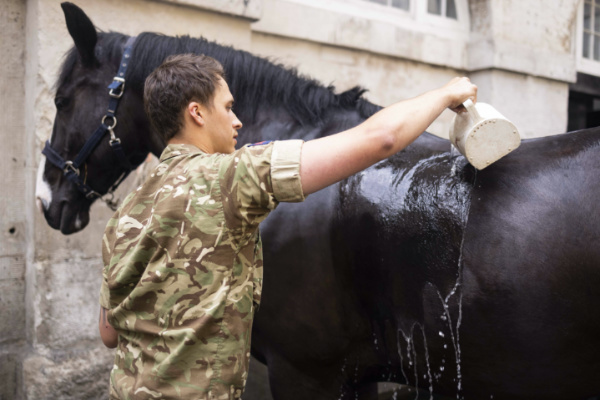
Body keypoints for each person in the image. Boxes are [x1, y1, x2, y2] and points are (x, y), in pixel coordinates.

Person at [98, 53, 477, 400]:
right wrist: (446, 94)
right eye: (227, 107)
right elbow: (381, 139)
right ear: (196, 113)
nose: (237, 120)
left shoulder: (123, 216)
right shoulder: (232, 177)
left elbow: (109, 333)